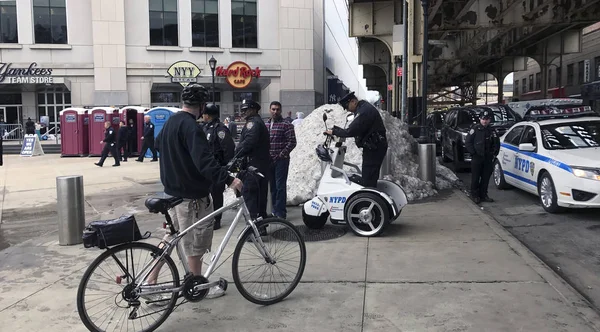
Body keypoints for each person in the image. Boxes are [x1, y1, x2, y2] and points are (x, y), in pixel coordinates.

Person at [147, 83, 243, 299]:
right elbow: (205, 163)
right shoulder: (191, 127)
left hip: (171, 193)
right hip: (190, 196)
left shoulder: (171, 122)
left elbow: (158, 144)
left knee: (171, 237)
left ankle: (151, 279)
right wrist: (230, 180)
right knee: (194, 243)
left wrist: (177, 162)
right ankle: (197, 287)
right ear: (201, 106)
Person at [324, 91, 388, 188]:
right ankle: (369, 196)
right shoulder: (363, 108)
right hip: (374, 146)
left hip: (374, 148)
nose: (348, 110)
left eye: (347, 106)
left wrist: (334, 132)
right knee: (370, 175)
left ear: (353, 101)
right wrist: (336, 130)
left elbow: (351, 131)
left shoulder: (363, 112)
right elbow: (354, 129)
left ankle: (368, 198)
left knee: (368, 178)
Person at [234, 99, 271, 220]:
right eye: (242, 110)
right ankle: (260, 227)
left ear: (254, 110)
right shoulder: (256, 122)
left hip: (253, 166)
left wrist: (236, 155)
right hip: (259, 165)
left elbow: (248, 143)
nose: (243, 112)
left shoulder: (253, 123)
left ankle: (255, 229)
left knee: (251, 198)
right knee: (258, 198)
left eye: (246, 110)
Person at [201, 103, 235, 230]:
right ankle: (208, 217)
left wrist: (226, 167)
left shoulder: (220, 129)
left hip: (217, 167)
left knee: (216, 195)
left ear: (208, 115)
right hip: (207, 168)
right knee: (206, 195)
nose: (202, 116)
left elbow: (228, 148)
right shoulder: (205, 127)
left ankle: (217, 219)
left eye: (204, 114)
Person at [266, 101, 297, 219]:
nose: (275, 111)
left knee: (280, 187)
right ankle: (274, 210)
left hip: (281, 160)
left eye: (277, 109)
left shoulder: (286, 125)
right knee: (272, 187)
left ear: (281, 111)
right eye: (273, 109)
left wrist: (281, 154)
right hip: (269, 160)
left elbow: (292, 142)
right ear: (270, 110)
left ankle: (280, 213)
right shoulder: (266, 125)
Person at [465, 109, 500, 204]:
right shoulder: (475, 129)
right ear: (480, 119)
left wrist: (494, 153)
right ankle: (474, 195)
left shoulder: (492, 130)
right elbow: (468, 142)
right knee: (475, 178)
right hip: (477, 157)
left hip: (488, 158)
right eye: (483, 119)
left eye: (487, 119)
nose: (485, 121)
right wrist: (473, 153)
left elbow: (496, 143)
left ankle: (483, 195)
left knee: (485, 178)